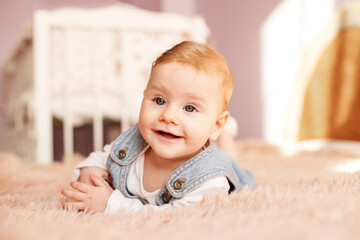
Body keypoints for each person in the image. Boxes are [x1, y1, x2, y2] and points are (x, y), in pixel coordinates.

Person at [61, 41, 255, 214]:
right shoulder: (135, 142)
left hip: (219, 164)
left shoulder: (211, 181)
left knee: (229, 159)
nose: (168, 116)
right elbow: (104, 157)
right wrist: (90, 171)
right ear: (145, 96)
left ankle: (226, 133)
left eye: (189, 108)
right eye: (159, 100)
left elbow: (172, 219)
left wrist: (111, 204)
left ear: (216, 124)